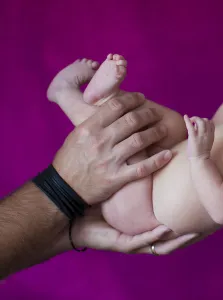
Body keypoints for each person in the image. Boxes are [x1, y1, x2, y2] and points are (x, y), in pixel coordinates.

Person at [49, 53, 223, 251]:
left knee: (120, 141)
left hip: (141, 209)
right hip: (161, 163)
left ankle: (64, 93)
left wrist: (200, 158)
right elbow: (217, 130)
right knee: (174, 125)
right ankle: (107, 99)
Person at [0, 91, 198, 280]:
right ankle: (89, 96)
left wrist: (70, 219)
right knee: (158, 131)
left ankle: (86, 97)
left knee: (143, 133)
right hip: (150, 205)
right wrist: (61, 190)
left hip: (145, 197)